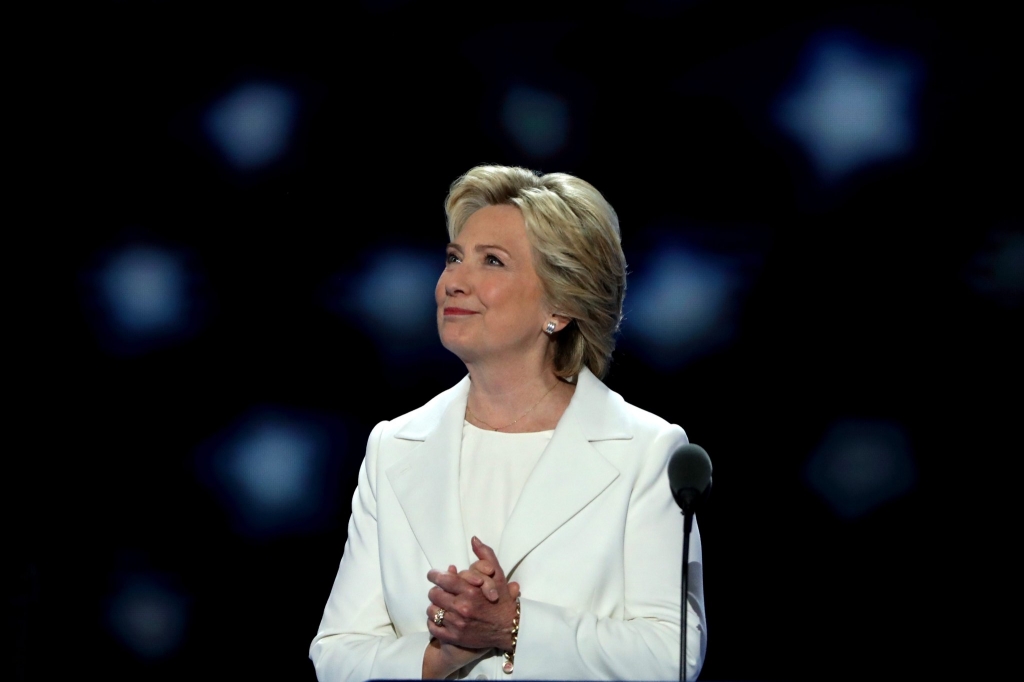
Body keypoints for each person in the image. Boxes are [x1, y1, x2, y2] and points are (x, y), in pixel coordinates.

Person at [309, 165, 707, 681]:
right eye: (454, 258)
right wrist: (438, 658)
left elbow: (670, 655)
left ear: (561, 305)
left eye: (492, 262)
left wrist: (511, 626)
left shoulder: (646, 451)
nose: (455, 282)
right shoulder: (394, 445)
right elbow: (337, 652)